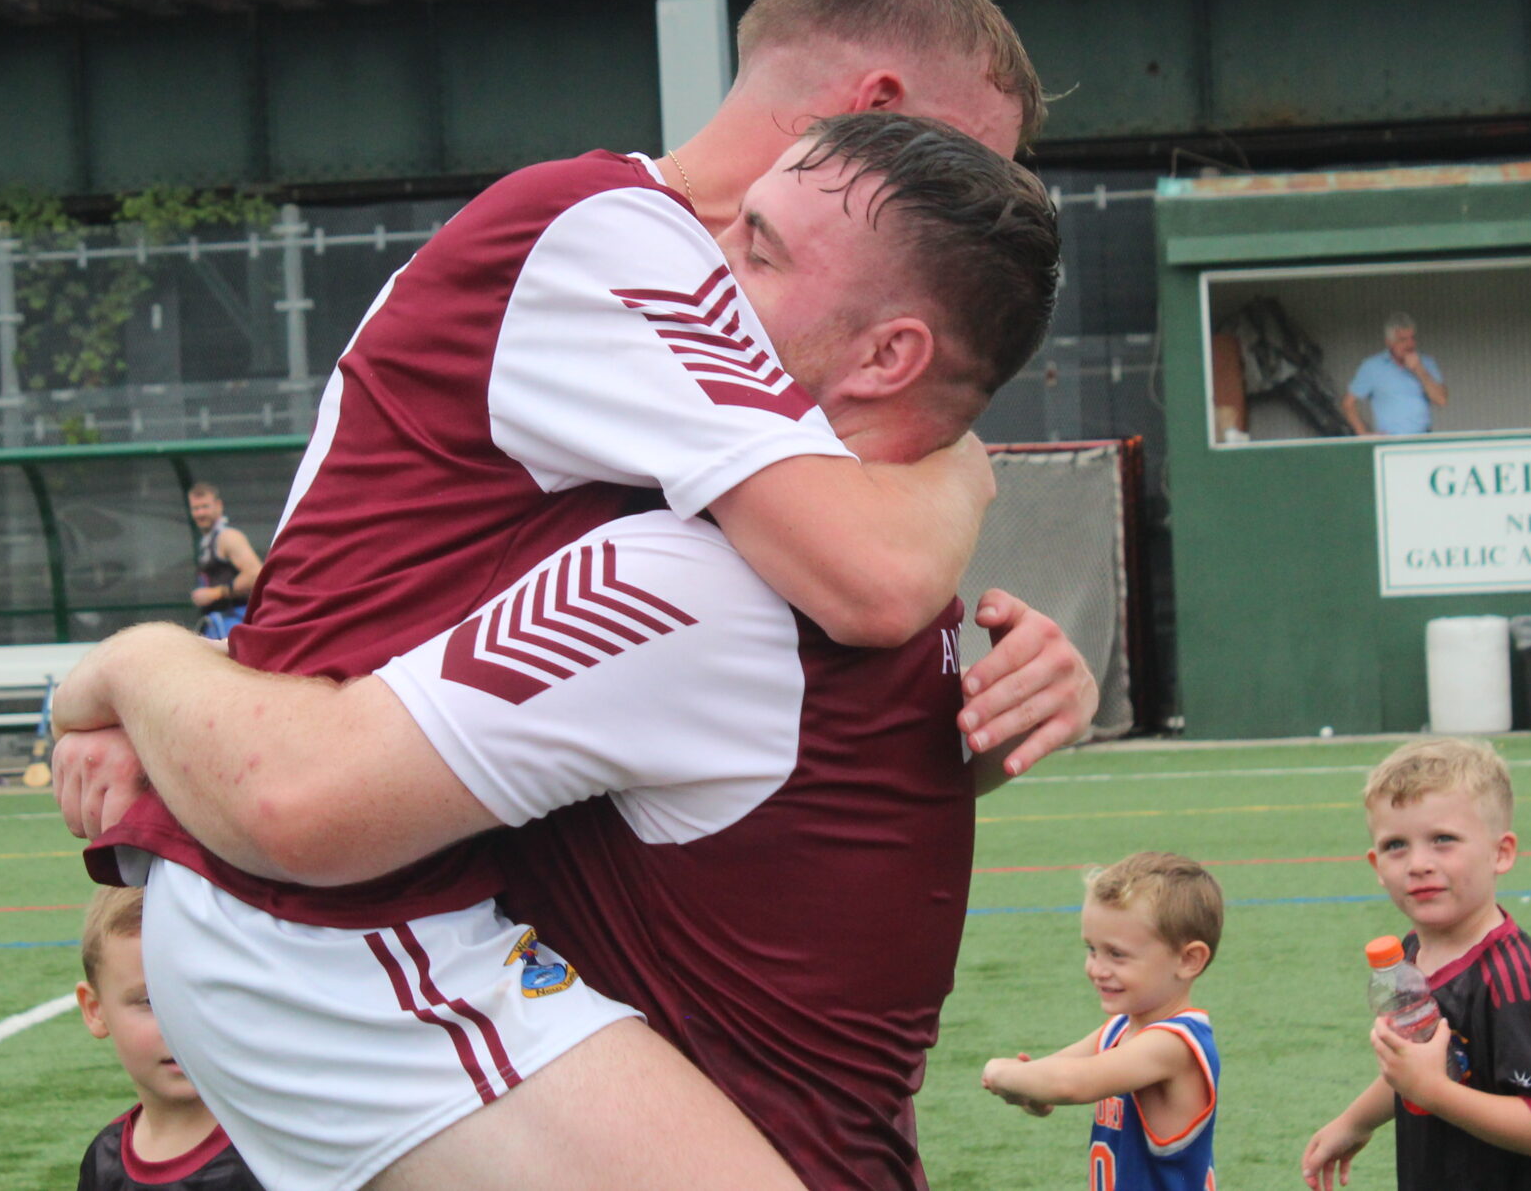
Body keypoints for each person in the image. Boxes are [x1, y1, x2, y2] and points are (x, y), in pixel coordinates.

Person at [56, 115, 1081, 1191]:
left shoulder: (693, 584)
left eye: (757, 251)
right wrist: (960, 463)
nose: (699, 262)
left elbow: (292, 800)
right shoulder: (893, 580)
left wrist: (133, 664)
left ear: (888, 356)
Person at [1301, 739, 1531, 1191]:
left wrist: (1434, 1092)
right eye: (1396, 845)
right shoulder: (1409, 954)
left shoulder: (1513, 980)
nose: (1418, 864)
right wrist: (1355, 1121)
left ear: (1501, 852)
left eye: (1443, 840)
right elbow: (1417, 1071)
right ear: (1376, 864)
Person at [980, 852, 1224, 1191]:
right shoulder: (1120, 1029)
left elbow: (1070, 1083)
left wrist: (999, 1071)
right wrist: (1028, 1089)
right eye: (1092, 949)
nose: (1097, 968)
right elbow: (1051, 1073)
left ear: (1188, 960)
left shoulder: (1173, 1044)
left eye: (1117, 954)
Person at [76, 885, 266, 1191]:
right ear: (95, 1010)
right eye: (149, 1002)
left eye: (204, 994)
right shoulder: (103, 1157)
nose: (180, 1025)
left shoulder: (280, 1152)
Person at [1343, 315, 1447, 437]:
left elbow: (1441, 400)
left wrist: (1419, 369)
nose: (1410, 344)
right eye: (1403, 340)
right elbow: (1348, 404)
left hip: (1422, 439)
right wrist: (1362, 433)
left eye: (1412, 338)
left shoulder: (1427, 363)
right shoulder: (1372, 367)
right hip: (1390, 441)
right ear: (1389, 342)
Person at [188, 486, 262, 643]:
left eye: (205, 507)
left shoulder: (228, 537)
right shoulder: (207, 542)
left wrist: (216, 593)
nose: (200, 513)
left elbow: (255, 574)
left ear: (218, 506)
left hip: (234, 621)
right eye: (196, 508)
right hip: (218, 625)